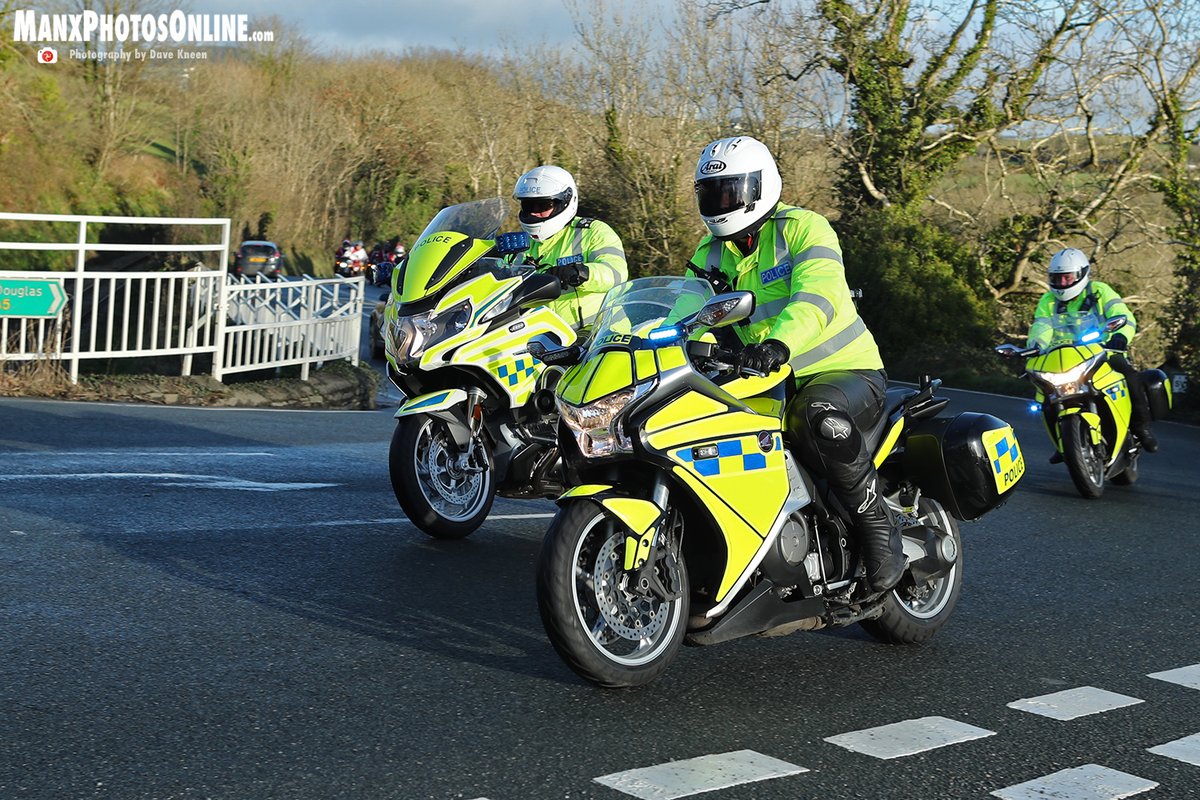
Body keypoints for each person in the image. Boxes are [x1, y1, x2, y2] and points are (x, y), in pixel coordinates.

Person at [687, 135, 904, 594]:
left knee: (816, 418)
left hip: (842, 371)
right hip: (760, 378)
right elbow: (687, 316)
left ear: (759, 188)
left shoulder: (805, 229)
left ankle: (878, 528)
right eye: (711, 193)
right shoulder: (707, 254)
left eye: (730, 192)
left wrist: (779, 343)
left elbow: (817, 296)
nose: (720, 203)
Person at [1026, 247, 1158, 453]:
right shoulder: (1047, 301)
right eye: (1057, 278)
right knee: (1044, 396)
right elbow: (1041, 327)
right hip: (1062, 358)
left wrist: (1120, 337)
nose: (1062, 284)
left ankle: (1141, 428)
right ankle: (1065, 442)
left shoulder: (1100, 291)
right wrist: (1035, 346)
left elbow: (1123, 315)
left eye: (1067, 278)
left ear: (1082, 274)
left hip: (1102, 351)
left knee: (1130, 376)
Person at [512, 165, 627, 331]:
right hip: (545, 341)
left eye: (543, 206)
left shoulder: (593, 232)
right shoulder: (519, 245)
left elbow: (616, 273)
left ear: (565, 201)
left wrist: (581, 272)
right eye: (529, 206)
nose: (535, 213)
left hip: (600, 335)